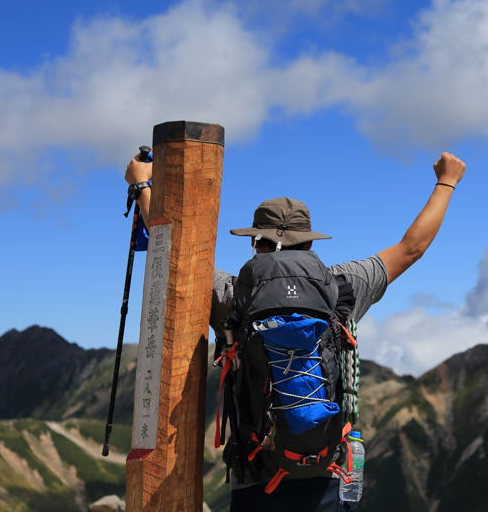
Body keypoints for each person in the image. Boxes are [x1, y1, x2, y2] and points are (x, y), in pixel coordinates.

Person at [124, 150, 466, 511]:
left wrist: (143, 184)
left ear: (256, 242)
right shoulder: (343, 287)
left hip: (257, 473)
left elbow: (174, 252)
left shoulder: (234, 292)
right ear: (309, 243)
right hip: (327, 471)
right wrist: (447, 181)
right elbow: (412, 248)